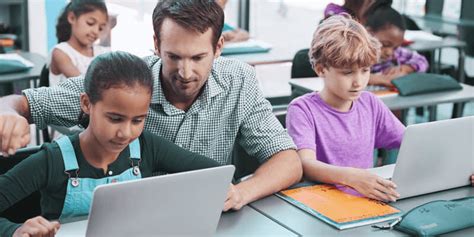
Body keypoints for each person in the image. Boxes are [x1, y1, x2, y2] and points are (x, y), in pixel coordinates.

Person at [0, 0, 302, 212]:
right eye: (174, 57)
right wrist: (8, 112)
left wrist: (240, 192)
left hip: (208, 221)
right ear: (156, 44)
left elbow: (288, 160)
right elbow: (23, 102)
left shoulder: (240, 81)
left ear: (218, 47)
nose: (185, 73)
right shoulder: (126, 82)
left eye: (198, 58)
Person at [0, 51, 222, 237]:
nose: (125, 133)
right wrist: (15, 231)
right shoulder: (53, 160)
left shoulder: (147, 146)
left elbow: (217, 174)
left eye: (138, 120)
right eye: (115, 119)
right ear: (87, 104)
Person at [287, 14, 404, 202]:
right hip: (322, 202)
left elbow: (410, 141)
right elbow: (305, 164)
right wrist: (351, 177)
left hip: (365, 198)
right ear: (321, 69)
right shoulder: (302, 109)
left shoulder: (370, 103)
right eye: (347, 73)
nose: (358, 82)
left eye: (365, 71)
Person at [365, 0, 428, 87]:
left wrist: (406, 68)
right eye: (385, 44)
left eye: (395, 47)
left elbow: (422, 61)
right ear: (369, 33)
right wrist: (384, 79)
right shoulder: (357, 54)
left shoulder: (396, 53)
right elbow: (348, 76)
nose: (390, 52)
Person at [49, 0, 111, 85]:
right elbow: (83, 85)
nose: (96, 31)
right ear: (72, 18)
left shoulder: (103, 53)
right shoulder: (60, 53)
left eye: (100, 28)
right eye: (90, 23)